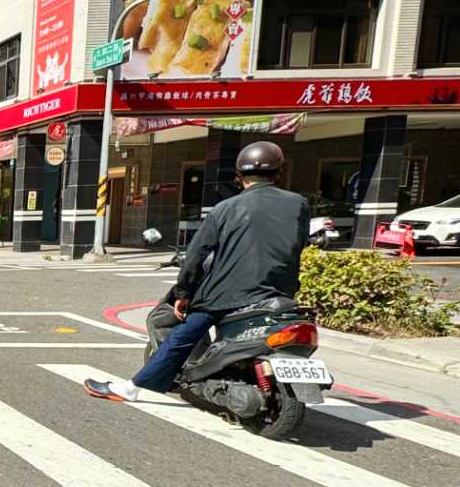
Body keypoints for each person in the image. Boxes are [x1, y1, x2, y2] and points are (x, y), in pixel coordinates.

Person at [84, 141, 310, 403]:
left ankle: (131, 389)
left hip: (229, 295)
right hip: (280, 294)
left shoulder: (226, 208)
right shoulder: (298, 204)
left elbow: (196, 254)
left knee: (181, 335)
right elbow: (299, 242)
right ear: (277, 173)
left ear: (239, 177)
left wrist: (184, 292)